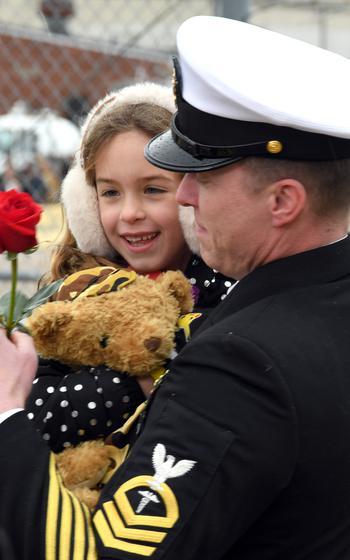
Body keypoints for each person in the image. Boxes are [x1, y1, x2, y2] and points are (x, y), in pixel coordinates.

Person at [1, 14, 350, 560]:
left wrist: (6, 413)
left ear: (282, 202)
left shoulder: (237, 364)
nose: (185, 198)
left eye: (204, 178)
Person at [25, 81, 231, 453]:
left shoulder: (226, 288)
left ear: (193, 192)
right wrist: (138, 380)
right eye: (110, 193)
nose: (131, 214)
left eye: (153, 190)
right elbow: (32, 416)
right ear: (86, 205)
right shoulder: (77, 290)